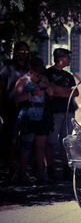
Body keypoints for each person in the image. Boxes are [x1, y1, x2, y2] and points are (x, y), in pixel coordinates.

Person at [14, 57, 53, 184]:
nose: (36, 74)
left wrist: (46, 86)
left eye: (39, 71)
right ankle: (22, 173)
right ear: (29, 69)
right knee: (26, 145)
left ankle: (41, 173)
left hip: (42, 115)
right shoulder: (23, 80)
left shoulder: (43, 79)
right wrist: (31, 94)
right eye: (34, 71)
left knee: (40, 146)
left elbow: (51, 93)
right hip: (28, 115)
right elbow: (16, 99)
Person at [44, 48, 79, 181]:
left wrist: (59, 91)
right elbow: (50, 91)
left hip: (68, 112)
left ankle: (66, 169)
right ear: (60, 58)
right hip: (54, 113)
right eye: (67, 57)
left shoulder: (69, 76)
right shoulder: (48, 73)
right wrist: (66, 91)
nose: (69, 59)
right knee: (51, 142)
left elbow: (75, 93)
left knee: (67, 142)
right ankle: (50, 168)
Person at [0, 41, 30, 181]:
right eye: (20, 52)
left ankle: (24, 170)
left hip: (28, 110)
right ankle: (11, 169)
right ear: (15, 53)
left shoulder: (29, 69)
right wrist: (2, 111)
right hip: (10, 109)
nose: (23, 55)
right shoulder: (7, 68)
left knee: (26, 140)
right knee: (11, 140)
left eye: (25, 52)